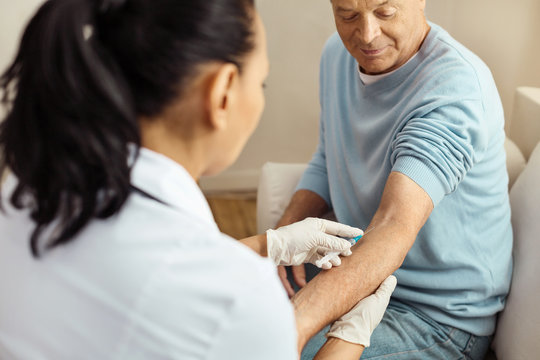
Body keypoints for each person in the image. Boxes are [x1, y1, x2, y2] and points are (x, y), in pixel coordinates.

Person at [0, 0, 398, 359]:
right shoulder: (236, 304)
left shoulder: (27, 184)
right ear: (222, 92)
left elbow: (144, 272)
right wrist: (348, 337)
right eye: (260, 83)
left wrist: (268, 245)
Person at [276, 0, 513, 359]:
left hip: (435, 315)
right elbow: (329, 158)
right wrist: (285, 234)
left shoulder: (455, 88)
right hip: (355, 268)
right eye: (348, 15)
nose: (367, 35)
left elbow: (393, 226)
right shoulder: (336, 57)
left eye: (385, 12)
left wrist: (299, 319)